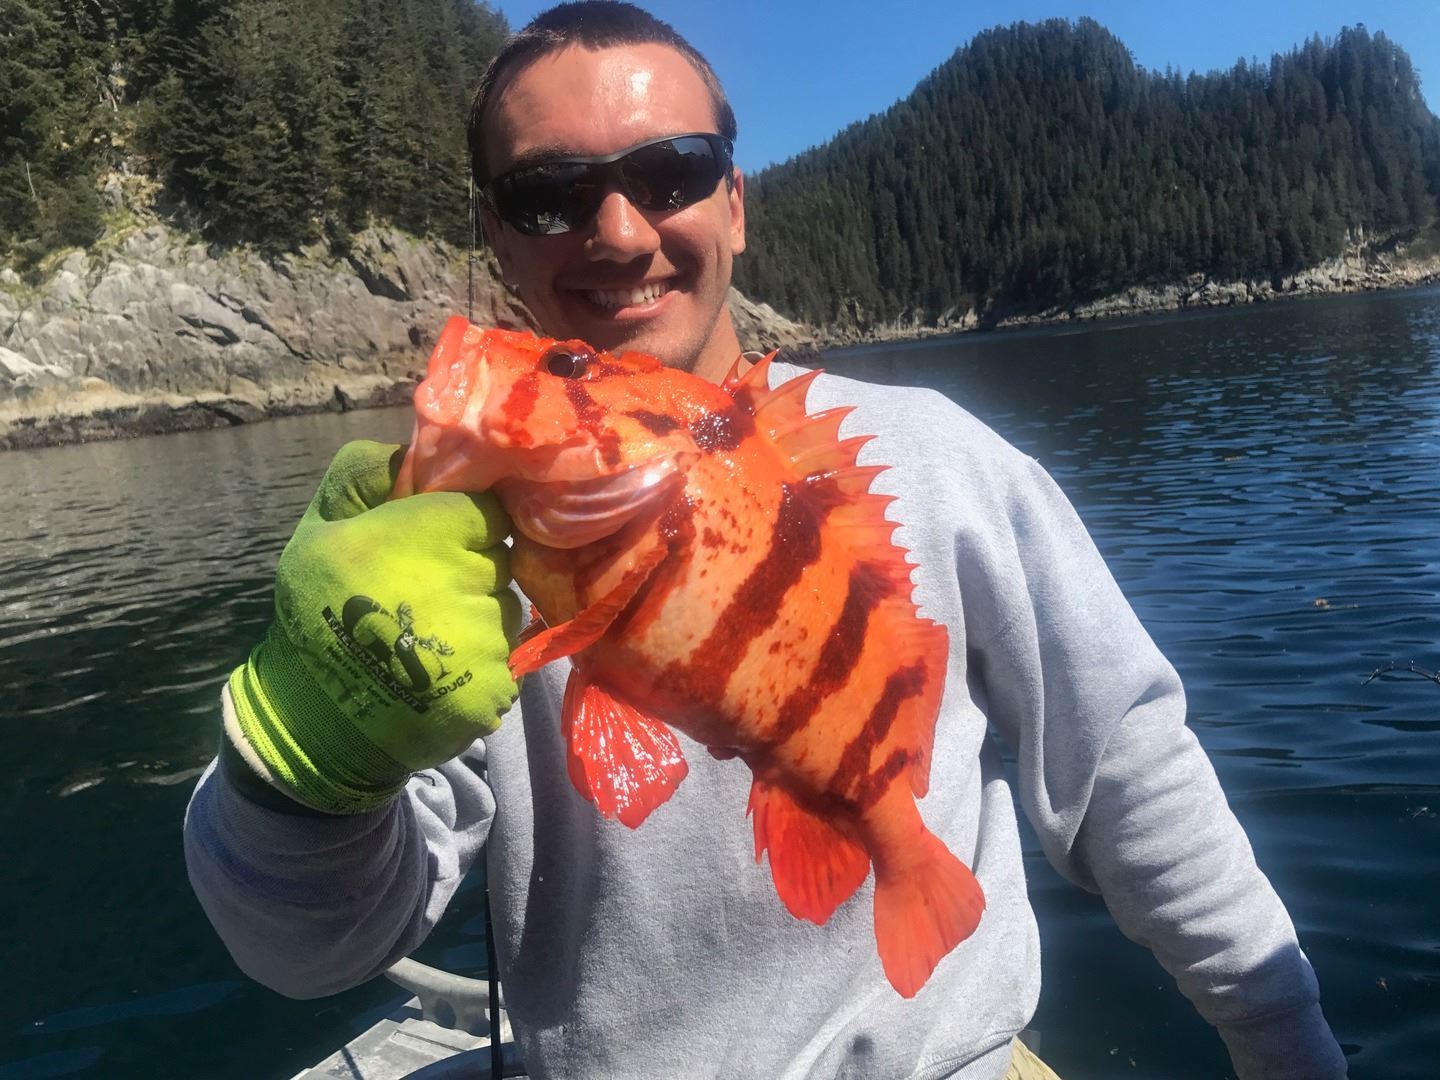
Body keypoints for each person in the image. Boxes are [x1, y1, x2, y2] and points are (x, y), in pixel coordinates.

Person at [183, 4, 1348, 1077]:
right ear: (497, 235)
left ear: (734, 202)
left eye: (670, 173)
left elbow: (1128, 766)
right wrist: (310, 751)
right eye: (549, 194)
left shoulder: (941, 461)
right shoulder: (440, 556)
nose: (619, 230)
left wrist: (1280, 1035)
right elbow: (305, 955)